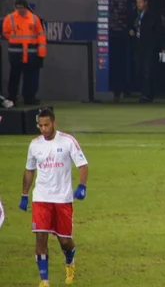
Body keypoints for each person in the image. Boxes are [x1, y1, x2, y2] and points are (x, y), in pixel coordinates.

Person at [19, 108, 89, 287]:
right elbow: (29, 170)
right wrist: (24, 195)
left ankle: (70, 259)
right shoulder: (34, 145)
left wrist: (82, 186)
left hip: (62, 199)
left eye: (46, 125)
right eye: (40, 125)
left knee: (64, 241)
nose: (43, 129)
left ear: (54, 123)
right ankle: (44, 280)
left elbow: (82, 164)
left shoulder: (67, 141)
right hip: (41, 198)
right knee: (40, 237)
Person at [2, 0, 47, 105]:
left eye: (21, 7)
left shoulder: (34, 19)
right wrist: (15, 40)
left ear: (25, 7)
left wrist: (41, 53)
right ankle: (12, 98)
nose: (19, 9)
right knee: (14, 77)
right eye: (18, 7)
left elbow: (41, 36)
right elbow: (5, 32)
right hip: (16, 54)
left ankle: (28, 98)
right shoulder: (10, 18)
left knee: (29, 78)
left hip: (31, 54)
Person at [127, 0, 165, 103]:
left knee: (147, 71)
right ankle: (144, 92)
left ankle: (147, 95)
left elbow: (160, 32)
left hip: (150, 47)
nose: (138, 4)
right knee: (139, 70)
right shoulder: (135, 14)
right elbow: (130, 26)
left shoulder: (153, 15)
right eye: (137, 2)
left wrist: (163, 47)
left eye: (140, 2)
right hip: (138, 46)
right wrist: (131, 32)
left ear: (145, 2)